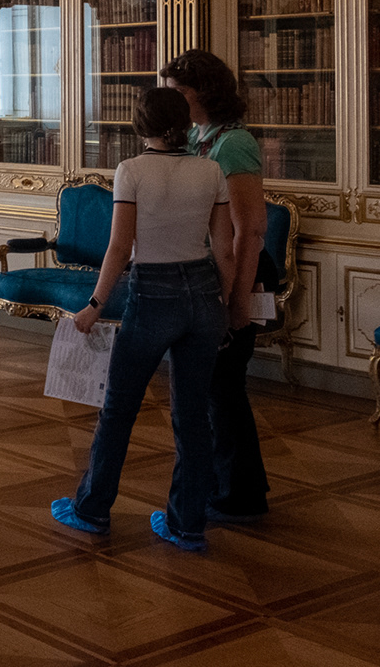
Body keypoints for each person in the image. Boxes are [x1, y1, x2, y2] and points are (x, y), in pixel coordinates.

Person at [51, 86, 233, 551]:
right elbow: (224, 249)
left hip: (153, 294)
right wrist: (226, 305)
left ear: (141, 125)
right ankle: (187, 524)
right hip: (204, 294)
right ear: (185, 124)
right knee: (193, 417)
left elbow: (119, 247)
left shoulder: (130, 170)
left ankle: (92, 510)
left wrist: (95, 305)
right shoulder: (211, 170)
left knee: (119, 410)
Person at [161, 48, 272, 523]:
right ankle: (223, 486)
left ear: (203, 93)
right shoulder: (196, 140)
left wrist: (239, 302)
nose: (172, 100)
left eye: (179, 92)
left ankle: (240, 494)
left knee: (222, 392)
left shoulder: (234, 144)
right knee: (209, 393)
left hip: (232, 283)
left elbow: (251, 229)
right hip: (203, 279)